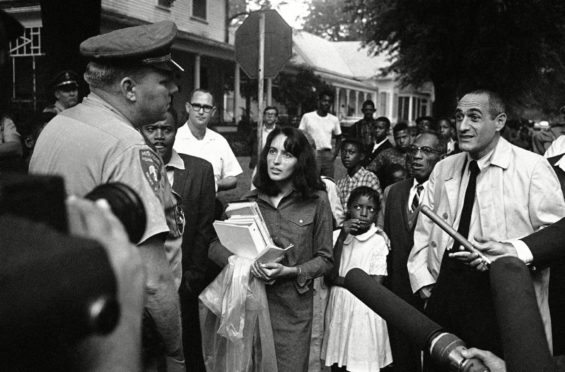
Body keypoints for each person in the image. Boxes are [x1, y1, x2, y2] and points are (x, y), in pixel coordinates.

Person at [29, 21, 185, 371]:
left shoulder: (59, 124)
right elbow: (154, 280)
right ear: (129, 88)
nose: (174, 88)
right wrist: (175, 353)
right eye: (163, 80)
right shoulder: (128, 147)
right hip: (119, 335)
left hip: (64, 323)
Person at [407, 89, 565, 360]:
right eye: (459, 117)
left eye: (474, 117)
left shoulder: (532, 167)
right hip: (444, 293)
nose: (463, 126)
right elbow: (424, 232)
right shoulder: (445, 168)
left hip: (501, 299)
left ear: (500, 122)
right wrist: (425, 285)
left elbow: (555, 235)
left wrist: (511, 252)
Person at [209, 127, 334, 372]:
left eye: (287, 155)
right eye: (272, 151)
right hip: (248, 308)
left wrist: (291, 271)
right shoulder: (247, 201)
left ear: (301, 162)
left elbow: (326, 259)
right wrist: (239, 262)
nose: (276, 161)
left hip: (293, 312)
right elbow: (213, 246)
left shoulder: (317, 201)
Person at [140, 108, 217, 371]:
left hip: (183, 284)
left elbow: (204, 229)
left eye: (167, 129)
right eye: (151, 129)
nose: (159, 136)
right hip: (143, 284)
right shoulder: (130, 169)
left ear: (176, 131)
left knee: (186, 353)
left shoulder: (200, 170)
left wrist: (192, 278)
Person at [382, 132, 445, 372]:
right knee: (402, 356)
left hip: (432, 291)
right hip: (398, 290)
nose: (417, 156)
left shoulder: (447, 194)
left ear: (442, 156)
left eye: (426, 151)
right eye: (414, 150)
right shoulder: (393, 192)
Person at [322, 186, 392, 372]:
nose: (363, 213)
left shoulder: (378, 241)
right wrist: (342, 236)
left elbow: (373, 285)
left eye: (370, 209)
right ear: (348, 208)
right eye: (358, 207)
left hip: (365, 309)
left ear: (377, 213)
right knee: (339, 363)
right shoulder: (337, 236)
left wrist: (342, 280)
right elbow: (329, 275)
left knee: (362, 363)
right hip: (340, 307)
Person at [174, 88, 242, 192]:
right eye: (196, 106)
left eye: (206, 107)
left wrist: (213, 185)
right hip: (179, 205)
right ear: (188, 107)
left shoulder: (219, 141)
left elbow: (232, 177)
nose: (201, 112)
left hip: (211, 204)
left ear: (213, 111)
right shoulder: (174, 139)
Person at [299, 91, 342, 178]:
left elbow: (339, 137)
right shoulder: (307, 117)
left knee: (328, 181)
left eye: (329, 101)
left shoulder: (334, 119)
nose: (327, 103)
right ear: (318, 101)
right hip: (312, 154)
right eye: (324, 100)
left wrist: (334, 154)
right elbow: (300, 134)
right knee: (312, 180)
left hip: (327, 155)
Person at [336, 137, 383, 211]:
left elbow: (379, 207)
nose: (346, 156)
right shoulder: (340, 183)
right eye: (344, 152)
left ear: (361, 156)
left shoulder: (369, 178)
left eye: (351, 152)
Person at [249, 106, 280, 170]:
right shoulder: (256, 132)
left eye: (272, 114)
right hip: (258, 164)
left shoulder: (280, 132)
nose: (269, 116)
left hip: (275, 163)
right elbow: (250, 146)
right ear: (263, 116)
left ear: (276, 118)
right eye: (267, 114)